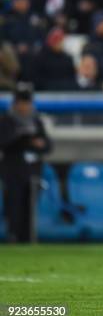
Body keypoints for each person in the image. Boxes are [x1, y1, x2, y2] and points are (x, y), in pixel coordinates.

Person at [0, 82, 51, 243]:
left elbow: (47, 145)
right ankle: (13, 235)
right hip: (13, 169)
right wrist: (26, 140)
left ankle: (28, 237)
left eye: (27, 102)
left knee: (30, 205)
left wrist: (38, 144)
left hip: (33, 169)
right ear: (15, 103)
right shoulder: (6, 119)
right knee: (14, 203)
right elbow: (5, 142)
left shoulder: (36, 120)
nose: (24, 106)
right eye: (21, 102)